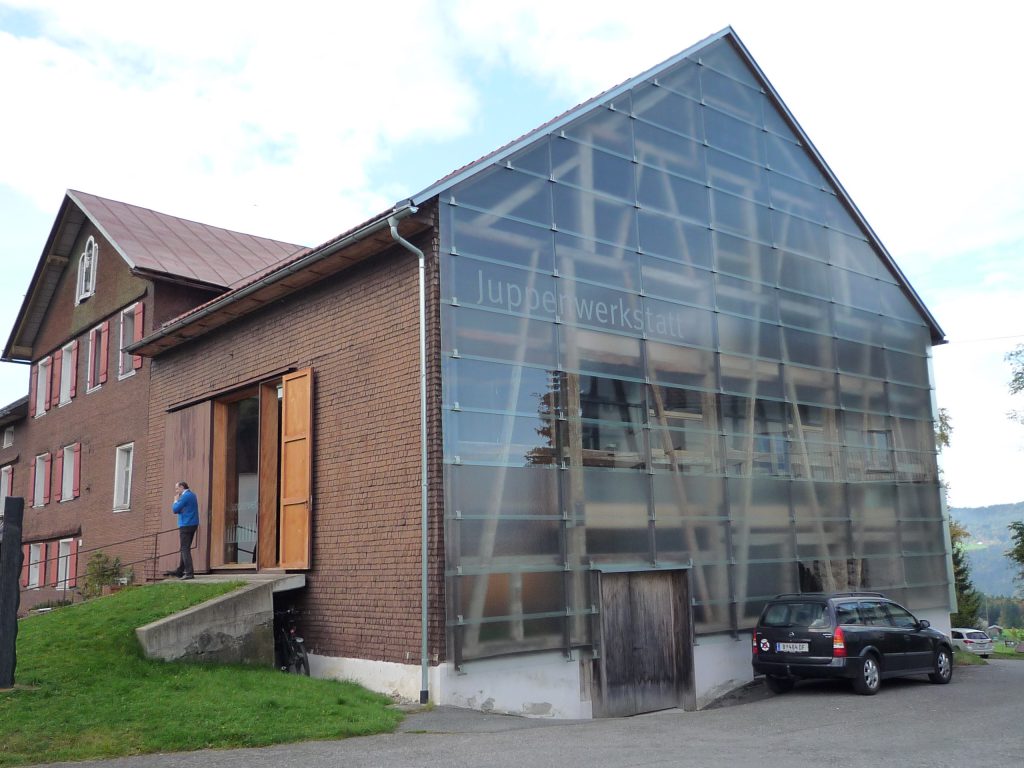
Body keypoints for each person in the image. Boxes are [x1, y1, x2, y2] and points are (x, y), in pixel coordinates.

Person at [167, 481, 199, 580]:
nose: (176, 491)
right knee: (185, 548)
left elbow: (175, 509)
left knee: (185, 549)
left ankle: (189, 573)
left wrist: (175, 501)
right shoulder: (192, 495)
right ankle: (180, 571)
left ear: (182, 487)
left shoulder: (185, 496)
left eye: (177, 489)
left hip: (186, 524)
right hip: (192, 524)